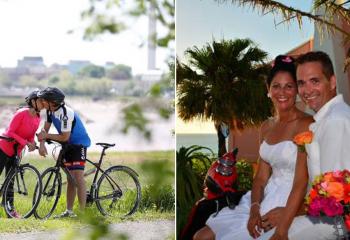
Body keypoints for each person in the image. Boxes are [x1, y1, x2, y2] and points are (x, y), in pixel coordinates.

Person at [193, 55, 313, 240]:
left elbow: (301, 181)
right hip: (262, 197)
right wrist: (254, 209)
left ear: (296, 90)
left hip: (289, 201)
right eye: (276, 86)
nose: (282, 92)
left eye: (289, 86)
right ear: (268, 89)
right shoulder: (266, 126)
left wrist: (292, 212)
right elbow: (261, 178)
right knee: (201, 236)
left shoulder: (306, 124)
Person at [264, 51, 350, 240]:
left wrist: (290, 214)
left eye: (315, 81)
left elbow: (336, 200)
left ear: (333, 82)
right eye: (302, 83)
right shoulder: (324, 119)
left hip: (335, 225)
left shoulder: (335, 121)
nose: (307, 90)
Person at [36, 87, 91, 218]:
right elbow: (45, 131)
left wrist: (47, 136)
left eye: (45, 100)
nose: (42, 103)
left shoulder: (66, 113)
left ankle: (83, 213)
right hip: (67, 145)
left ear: (53, 102)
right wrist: (42, 145)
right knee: (70, 178)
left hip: (79, 144)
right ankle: (69, 211)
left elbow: (64, 137)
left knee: (78, 177)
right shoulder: (50, 112)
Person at [0, 90, 44, 218]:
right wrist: (25, 142)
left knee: (11, 181)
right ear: (33, 101)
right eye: (40, 101)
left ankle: (10, 210)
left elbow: (30, 136)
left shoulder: (37, 117)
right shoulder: (21, 113)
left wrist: (32, 143)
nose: (43, 103)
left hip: (17, 151)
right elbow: (10, 132)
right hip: (3, 148)